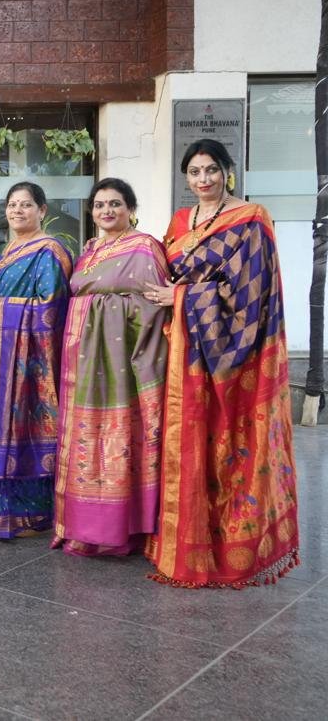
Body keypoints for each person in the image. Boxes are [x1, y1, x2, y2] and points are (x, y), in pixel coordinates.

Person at [144, 140, 300, 586]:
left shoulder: (251, 218)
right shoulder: (179, 221)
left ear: (227, 171)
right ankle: (183, 541)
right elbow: (165, 272)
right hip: (183, 349)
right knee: (185, 440)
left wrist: (181, 297)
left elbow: (251, 293)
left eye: (211, 170)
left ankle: (230, 544)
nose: (204, 179)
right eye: (194, 172)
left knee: (228, 443)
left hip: (234, 354)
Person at [53, 178, 170, 557]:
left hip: (123, 363)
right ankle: (83, 527)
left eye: (115, 204)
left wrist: (105, 312)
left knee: (120, 437)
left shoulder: (145, 247)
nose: (107, 211)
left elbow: (155, 303)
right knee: (85, 439)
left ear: (131, 209)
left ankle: (122, 527)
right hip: (84, 359)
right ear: (91, 212)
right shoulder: (89, 250)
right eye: (100, 205)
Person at [0, 182, 72, 539]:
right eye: (12, 204)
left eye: (26, 205)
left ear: (42, 210)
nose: (17, 211)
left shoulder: (50, 250)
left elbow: (50, 306)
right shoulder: (4, 252)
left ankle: (33, 515)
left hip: (30, 360)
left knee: (24, 426)